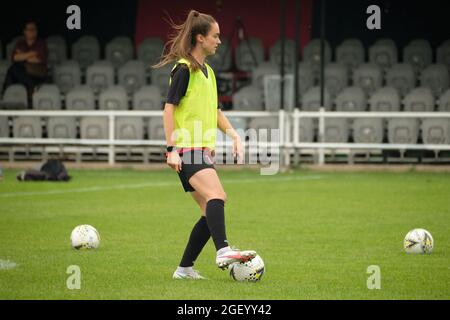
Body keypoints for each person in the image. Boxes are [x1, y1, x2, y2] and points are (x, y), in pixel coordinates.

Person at [155, 10, 256, 280]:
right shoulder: (183, 69)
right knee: (217, 197)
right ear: (200, 38)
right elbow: (168, 109)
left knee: (207, 212)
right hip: (187, 150)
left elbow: (214, 112)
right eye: (215, 36)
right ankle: (223, 250)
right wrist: (171, 150)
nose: (219, 41)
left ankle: (184, 269)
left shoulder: (208, 72)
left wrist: (234, 135)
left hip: (200, 152)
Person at [2, 20, 48, 106]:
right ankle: (27, 92)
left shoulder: (41, 43)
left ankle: (5, 94)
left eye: (34, 29)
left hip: (37, 71)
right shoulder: (20, 43)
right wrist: (31, 54)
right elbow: (15, 58)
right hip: (23, 73)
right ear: (24, 31)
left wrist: (22, 56)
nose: (32, 31)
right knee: (14, 69)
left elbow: (39, 59)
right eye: (29, 29)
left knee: (14, 69)